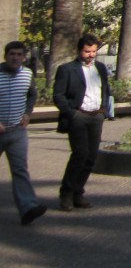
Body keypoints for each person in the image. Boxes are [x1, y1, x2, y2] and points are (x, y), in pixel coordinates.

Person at [53, 33, 112, 212]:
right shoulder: (67, 69)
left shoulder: (100, 68)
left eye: (94, 51)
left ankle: (78, 193)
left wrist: (103, 110)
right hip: (78, 116)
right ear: (79, 51)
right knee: (80, 154)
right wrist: (72, 113)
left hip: (96, 117)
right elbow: (58, 95)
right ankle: (66, 193)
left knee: (91, 157)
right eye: (87, 51)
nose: (91, 55)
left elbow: (105, 89)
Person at [0, 41, 46, 225]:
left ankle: (28, 208)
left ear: (24, 57)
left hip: (17, 132)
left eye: (19, 54)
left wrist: (27, 113)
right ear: (5, 56)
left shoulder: (27, 74)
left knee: (20, 170)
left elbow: (32, 94)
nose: (15, 57)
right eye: (12, 54)